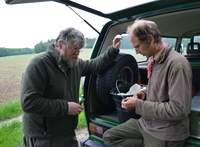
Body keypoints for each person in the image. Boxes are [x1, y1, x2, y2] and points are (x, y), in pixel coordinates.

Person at [20, 27, 122, 147]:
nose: (77, 53)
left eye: (79, 50)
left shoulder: (73, 63)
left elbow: (94, 65)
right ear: (60, 44)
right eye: (74, 49)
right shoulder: (39, 64)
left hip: (67, 134)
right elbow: (29, 102)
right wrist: (66, 107)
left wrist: (113, 50)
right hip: (45, 138)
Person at [103, 19, 192, 147]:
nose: (137, 52)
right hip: (146, 123)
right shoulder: (154, 60)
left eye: (137, 46)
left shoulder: (177, 64)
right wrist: (144, 92)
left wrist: (138, 105)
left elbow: (179, 110)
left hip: (165, 131)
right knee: (110, 137)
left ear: (150, 39)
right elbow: (159, 89)